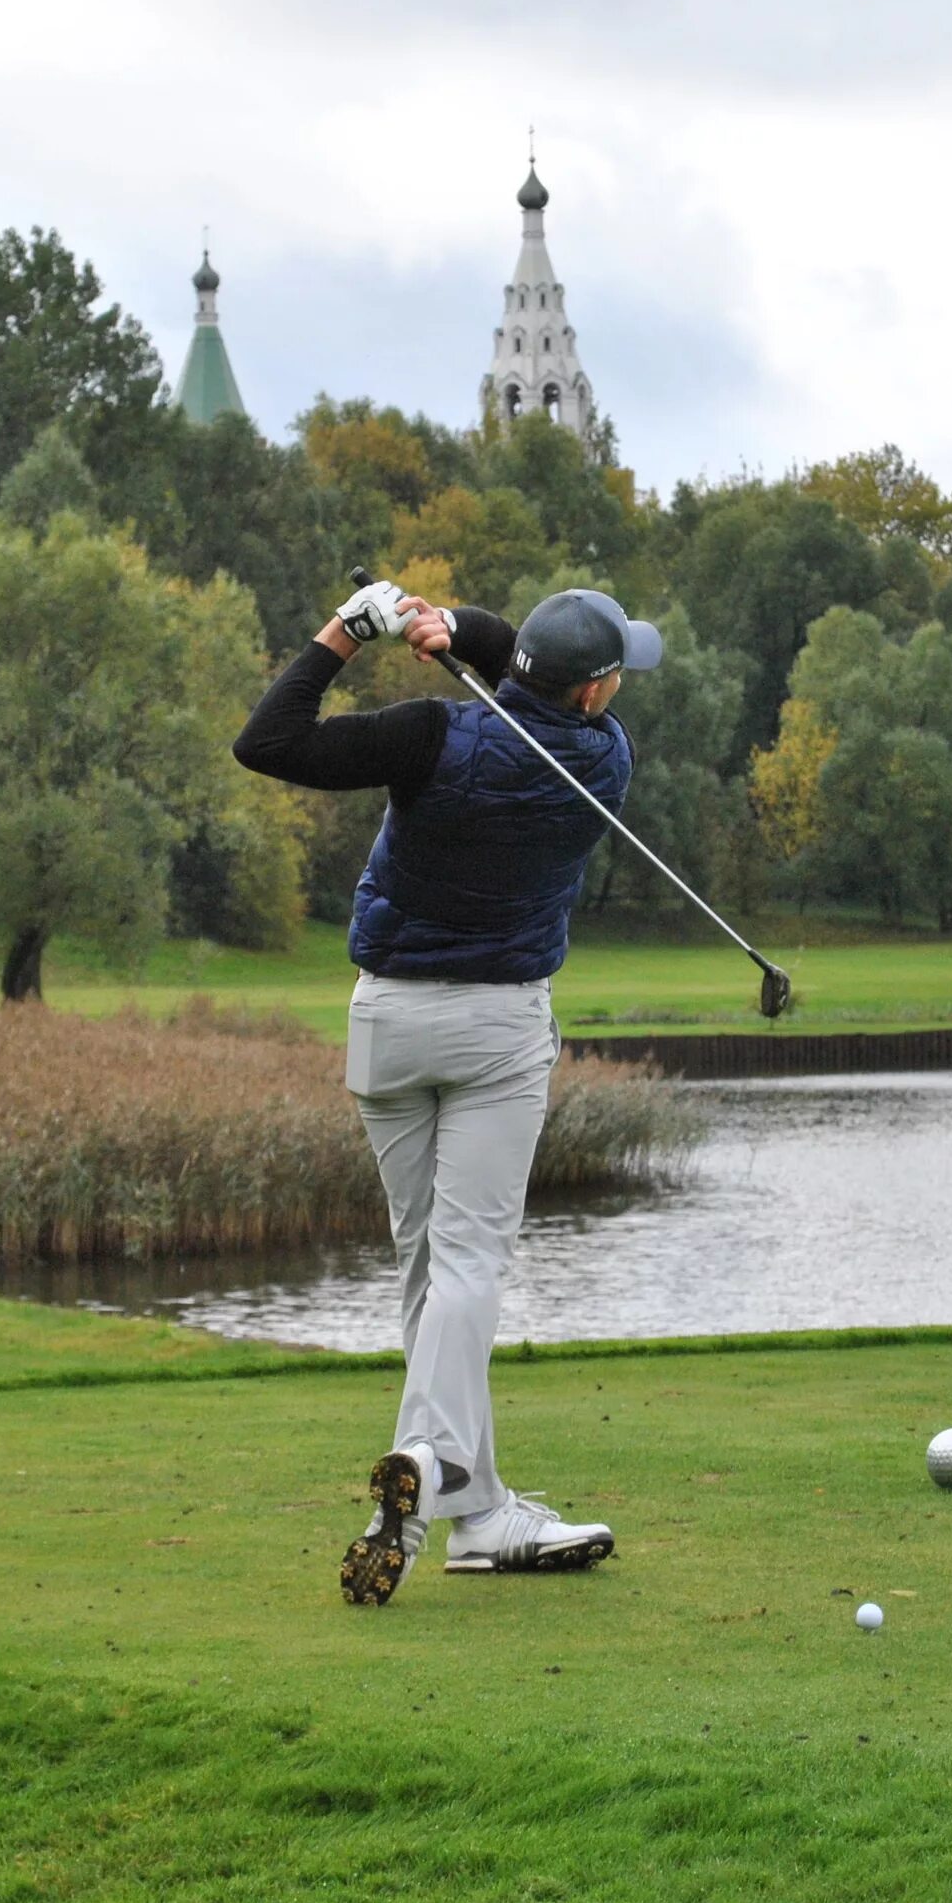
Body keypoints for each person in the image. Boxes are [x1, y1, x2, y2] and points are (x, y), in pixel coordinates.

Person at [233, 577, 660, 1606]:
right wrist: (453, 626)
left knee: (428, 1268)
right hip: (498, 1028)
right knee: (467, 1263)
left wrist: (349, 630)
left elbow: (269, 740)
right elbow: (528, 666)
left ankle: (483, 1515)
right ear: (597, 692)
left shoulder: (426, 735)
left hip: (388, 1021)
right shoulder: (602, 760)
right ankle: (429, 1467)